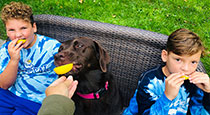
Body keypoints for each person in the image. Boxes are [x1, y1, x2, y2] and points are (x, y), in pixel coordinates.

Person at [123, 28, 210, 115]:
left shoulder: (194, 83)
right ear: (165, 56)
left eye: (193, 62)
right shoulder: (150, 81)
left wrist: (208, 92)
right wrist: (167, 97)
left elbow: (199, 112)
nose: (186, 69)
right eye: (178, 60)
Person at [0, 2, 61, 114]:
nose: (18, 35)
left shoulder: (52, 47)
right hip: (10, 95)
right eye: (11, 30)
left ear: (34, 27)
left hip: (35, 101)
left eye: (23, 28)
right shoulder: (6, 49)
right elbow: (3, 85)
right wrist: (14, 60)